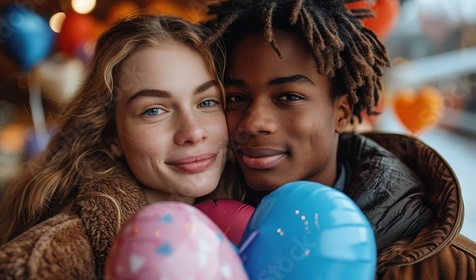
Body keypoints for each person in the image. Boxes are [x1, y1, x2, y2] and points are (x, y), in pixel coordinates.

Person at [204, 0, 476, 279]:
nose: (253, 122)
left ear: (342, 113)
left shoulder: (455, 268)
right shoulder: (193, 227)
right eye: (236, 98)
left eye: (288, 97)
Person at [0, 14, 229, 279]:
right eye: (154, 110)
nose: (193, 132)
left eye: (207, 102)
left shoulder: (246, 213)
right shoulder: (48, 259)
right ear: (112, 136)